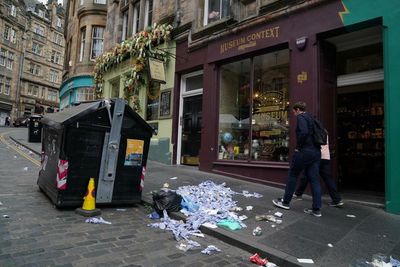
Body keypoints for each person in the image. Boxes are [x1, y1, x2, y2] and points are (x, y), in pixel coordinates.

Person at [272, 101, 323, 217]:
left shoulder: (301, 117)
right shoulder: (312, 117)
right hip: (316, 152)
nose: (294, 113)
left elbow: (304, 132)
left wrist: (298, 147)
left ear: (297, 110)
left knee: (293, 175)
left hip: (305, 151)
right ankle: (316, 209)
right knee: (314, 180)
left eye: (294, 111)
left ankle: (285, 202)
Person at [293, 135, 344, 207]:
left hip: (316, 155)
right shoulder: (324, 131)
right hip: (325, 156)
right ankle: (337, 199)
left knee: (306, 175)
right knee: (328, 179)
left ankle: (298, 194)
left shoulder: (314, 129)